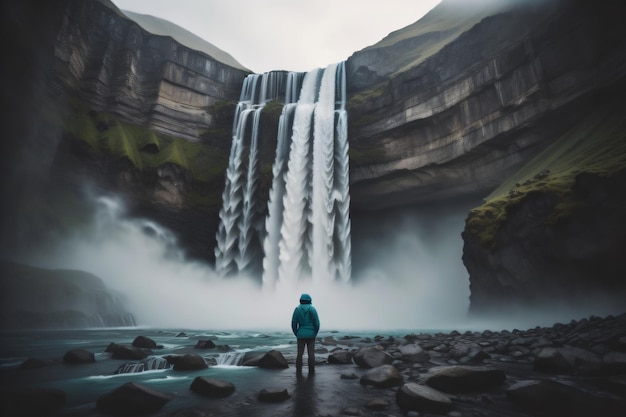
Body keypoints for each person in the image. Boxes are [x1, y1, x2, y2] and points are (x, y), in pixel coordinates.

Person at [291, 293, 320, 374]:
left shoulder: (297, 309)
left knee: (299, 353)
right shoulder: (312, 309)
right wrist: (315, 332)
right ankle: (311, 370)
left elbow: (294, 323)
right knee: (311, 353)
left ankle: (298, 370)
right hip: (311, 334)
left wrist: (296, 333)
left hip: (300, 334)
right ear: (310, 300)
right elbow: (316, 323)